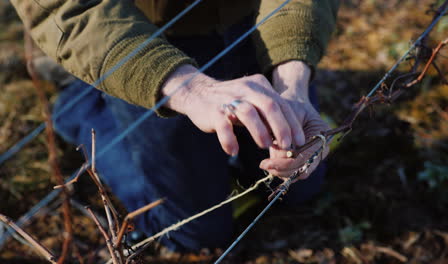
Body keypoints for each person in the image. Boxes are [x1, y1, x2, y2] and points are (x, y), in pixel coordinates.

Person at [12, 0, 339, 251]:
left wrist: (292, 85)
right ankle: (79, 100)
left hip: (260, 16)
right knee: (194, 233)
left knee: (295, 185)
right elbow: (68, 8)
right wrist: (190, 89)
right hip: (141, 36)